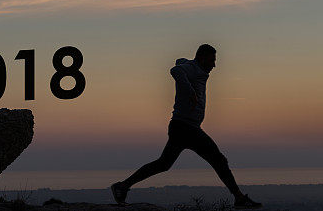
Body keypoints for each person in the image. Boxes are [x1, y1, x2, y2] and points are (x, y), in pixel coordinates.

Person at [110, 44, 262, 209]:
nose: (214, 65)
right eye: (212, 61)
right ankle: (239, 198)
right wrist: (190, 91)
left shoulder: (194, 68)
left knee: (163, 164)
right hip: (186, 128)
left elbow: (180, 64)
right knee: (218, 159)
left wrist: (185, 72)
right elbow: (175, 70)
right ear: (202, 58)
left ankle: (123, 186)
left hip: (182, 127)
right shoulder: (192, 69)